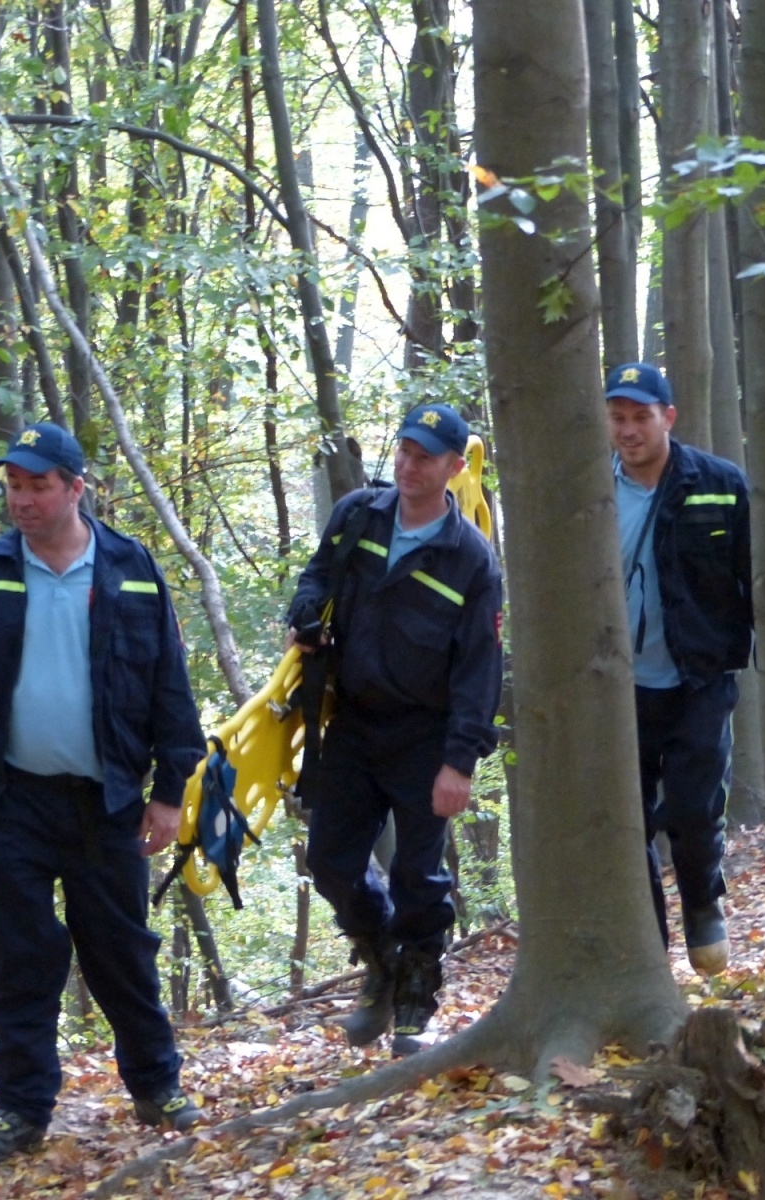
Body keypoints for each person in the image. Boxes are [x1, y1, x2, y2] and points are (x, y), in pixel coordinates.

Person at [0, 422, 208, 1163]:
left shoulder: (132, 570)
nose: (23, 499)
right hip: (12, 801)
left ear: (76, 488)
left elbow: (169, 690)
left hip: (106, 800)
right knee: (18, 958)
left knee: (121, 950)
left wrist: (170, 792)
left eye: (38, 485)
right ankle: (20, 1111)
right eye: (13, 484)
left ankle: (157, 1086)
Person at [286, 404, 503, 1057]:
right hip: (349, 722)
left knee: (419, 876)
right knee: (330, 861)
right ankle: (380, 960)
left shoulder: (471, 559)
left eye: (427, 456)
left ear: (454, 468)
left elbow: (478, 669)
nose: (410, 465)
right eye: (405, 450)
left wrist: (459, 762)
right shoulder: (358, 514)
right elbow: (318, 574)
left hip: (425, 737)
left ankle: (415, 998)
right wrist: (304, 611)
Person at [605, 361, 753, 977]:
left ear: (668, 417)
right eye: (619, 418)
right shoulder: (588, 491)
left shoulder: (720, 483)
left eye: (642, 417)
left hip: (698, 677)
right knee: (625, 818)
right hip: (617, 686)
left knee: (693, 809)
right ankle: (650, 949)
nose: (630, 430)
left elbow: (755, 574)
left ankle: (701, 904)